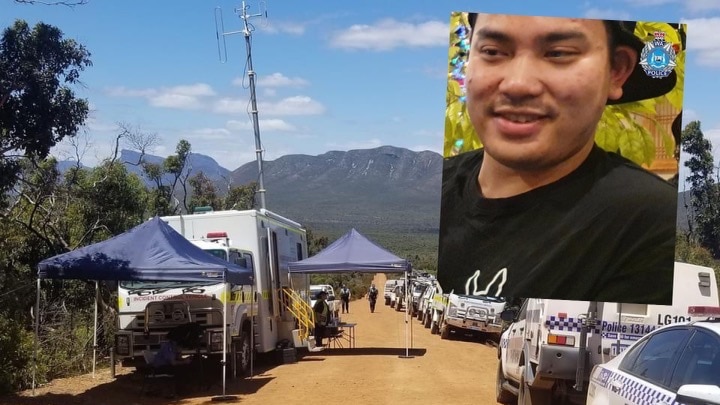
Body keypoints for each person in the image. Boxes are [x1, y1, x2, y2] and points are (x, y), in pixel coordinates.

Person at [438, 13, 681, 305]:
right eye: (492, 52)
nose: (517, 85)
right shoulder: (432, 187)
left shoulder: (653, 225)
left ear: (616, 71)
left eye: (558, 54)